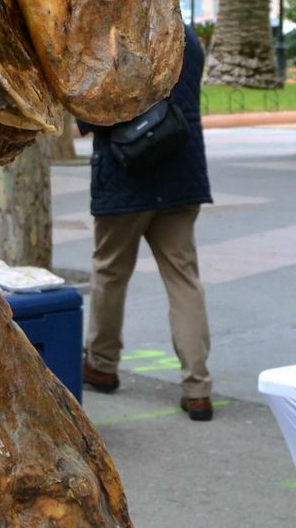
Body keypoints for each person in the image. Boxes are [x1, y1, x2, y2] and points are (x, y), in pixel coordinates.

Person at [79, 22, 215, 421]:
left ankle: (101, 366)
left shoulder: (115, 38)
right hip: (182, 173)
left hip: (126, 175)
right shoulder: (187, 37)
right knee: (183, 278)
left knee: (109, 273)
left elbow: (92, 111)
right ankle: (198, 388)